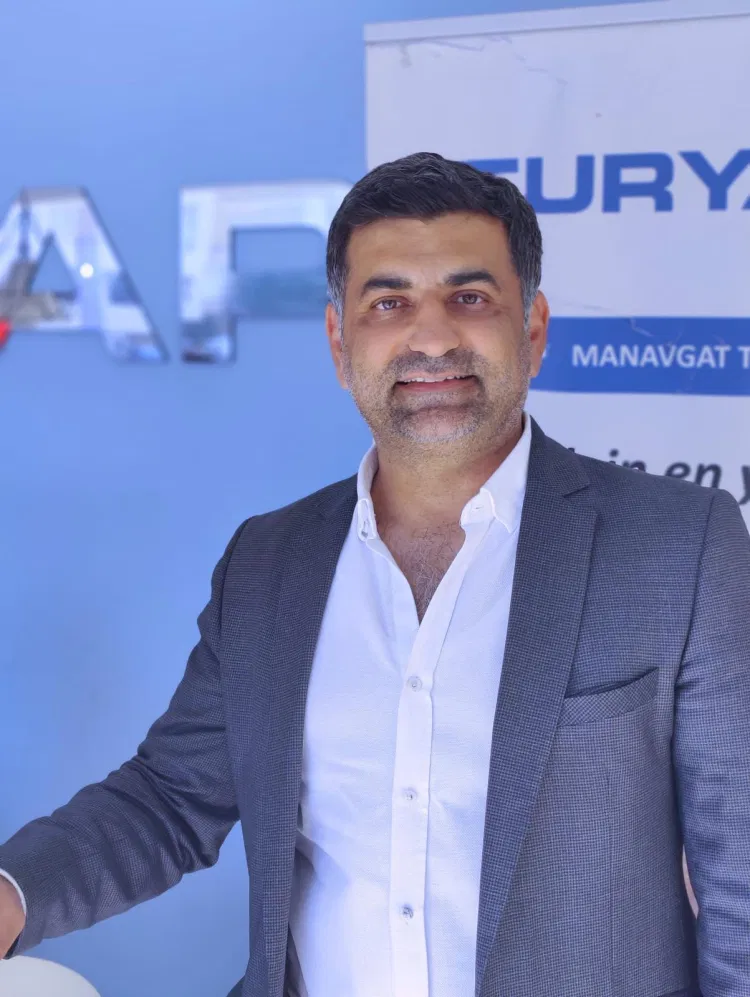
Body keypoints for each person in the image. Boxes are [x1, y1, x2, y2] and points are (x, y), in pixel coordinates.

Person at [0, 153, 747, 997]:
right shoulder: (269, 561)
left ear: (534, 329)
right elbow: (170, 797)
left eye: (470, 297)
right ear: (339, 341)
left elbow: (741, 884)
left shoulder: (679, 548)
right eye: (389, 303)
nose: (431, 338)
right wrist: (10, 894)